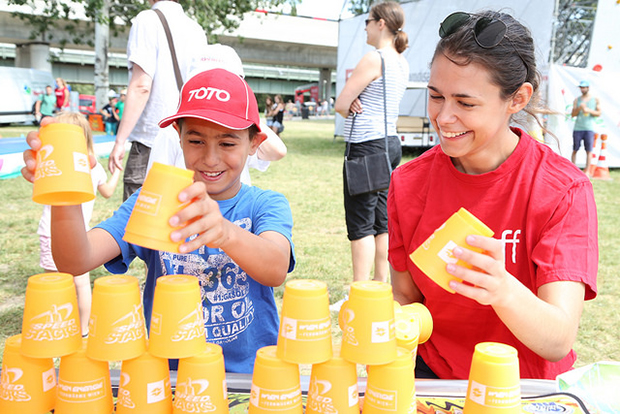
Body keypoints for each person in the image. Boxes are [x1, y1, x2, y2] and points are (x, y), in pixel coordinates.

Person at [22, 68, 295, 374]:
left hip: (250, 378)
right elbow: (75, 260)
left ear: (255, 142)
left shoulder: (265, 204)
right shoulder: (154, 202)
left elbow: (275, 268)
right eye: (196, 140)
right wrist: (64, 192)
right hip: (169, 379)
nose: (211, 157)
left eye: (228, 143)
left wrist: (224, 232)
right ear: (178, 137)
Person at [388, 10, 598, 380]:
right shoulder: (408, 182)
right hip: (435, 380)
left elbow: (557, 339)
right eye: (436, 96)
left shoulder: (563, 190)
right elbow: (407, 298)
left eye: (465, 103)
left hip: (521, 387)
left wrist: (501, 289)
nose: (444, 117)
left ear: (517, 99)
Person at [334, 1, 409, 284]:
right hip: (389, 143)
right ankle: (379, 285)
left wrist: (350, 100)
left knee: (361, 223)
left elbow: (341, 103)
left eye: (367, 21)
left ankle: (359, 290)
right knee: (381, 220)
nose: (364, 27)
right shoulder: (401, 62)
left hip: (366, 145)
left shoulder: (373, 58)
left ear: (380, 24)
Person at [108, 0, 209, 201]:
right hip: (187, 140)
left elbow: (141, 85)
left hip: (151, 139)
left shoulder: (147, 20)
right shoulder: (197, 30)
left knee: (138, 220)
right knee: (181, 219)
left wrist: (119, 142)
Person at [148, 44, 287, 186]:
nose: (211, 160)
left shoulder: (240, 131)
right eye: (196, 142)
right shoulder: (173, 129)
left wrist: (243, 113)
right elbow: (156, 186)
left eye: (227, 144)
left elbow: (277, 151)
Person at [37, 111, 121, 336]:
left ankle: (56, 330)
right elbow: (108, 192)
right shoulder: (93, 167)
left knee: (54, 285)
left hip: (51, 233)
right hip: (82, 235)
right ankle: (83, 330)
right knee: (82, 286)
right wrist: (116, 174)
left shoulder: (54, 164)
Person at [571, 80, 601, 174]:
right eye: (581, 87)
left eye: (584, 87)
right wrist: (579, 108)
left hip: (589, 128)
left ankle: (587, 171)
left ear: (588, 88)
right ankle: (573, 170)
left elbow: (598, 113)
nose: (582, 89)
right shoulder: (577, 100)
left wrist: (588, 110)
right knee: (575, 149)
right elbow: (573, 114)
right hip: (578, 128)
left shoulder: (595, 99)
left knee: (589, 150)